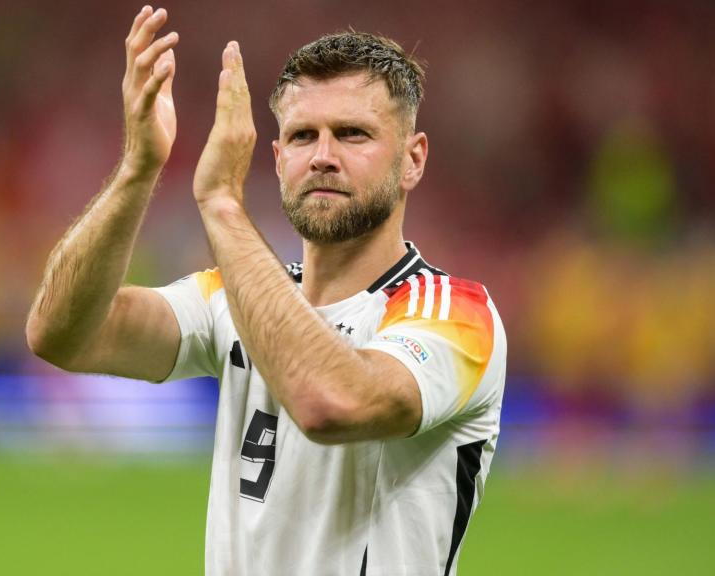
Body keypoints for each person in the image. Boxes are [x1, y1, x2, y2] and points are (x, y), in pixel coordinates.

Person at [26, 5, 507, 575]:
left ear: (413, 158)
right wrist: (138, 167)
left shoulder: (452, 313)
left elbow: (332, 403)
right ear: (278, 160)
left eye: (353, 134)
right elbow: (61, 334)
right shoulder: (237, 297)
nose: (324, 156)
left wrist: (223, 206)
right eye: (304, 136)